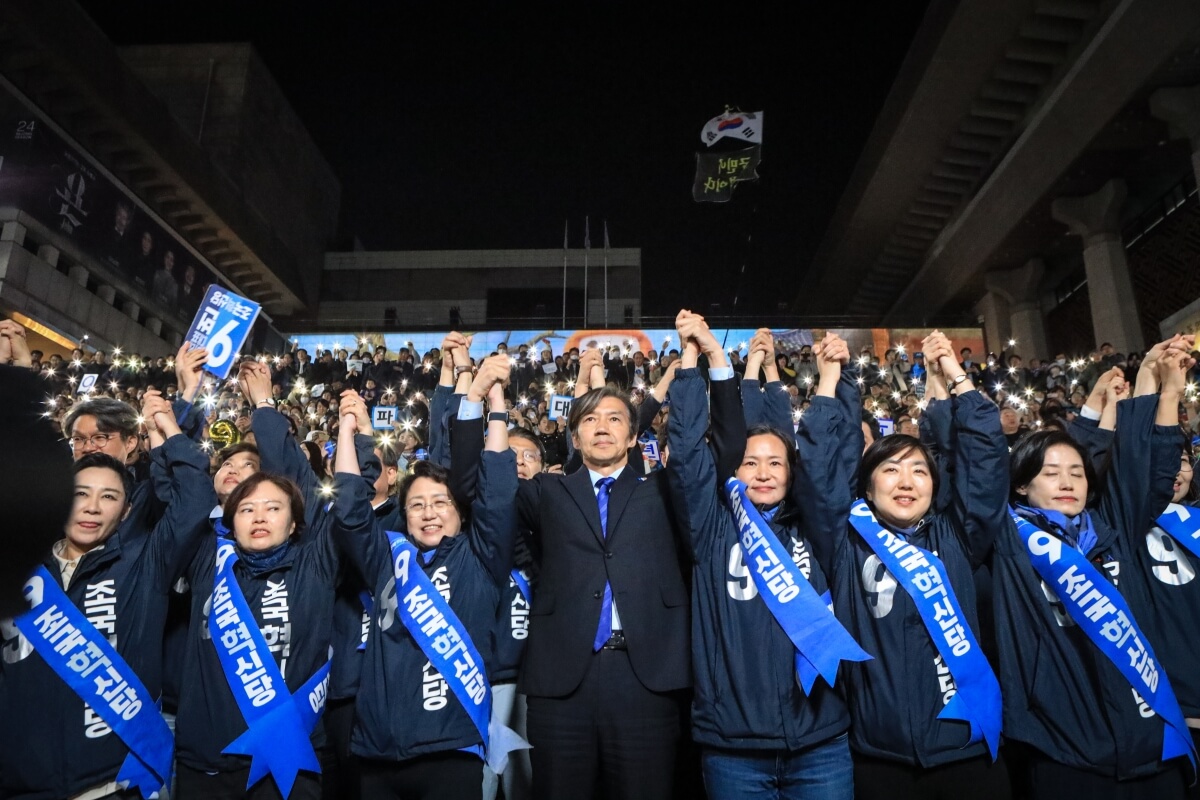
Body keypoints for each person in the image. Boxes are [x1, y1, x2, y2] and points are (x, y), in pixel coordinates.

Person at [795, 330, 1009, 800]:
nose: (906, 481)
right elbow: (818, 468)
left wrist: (954, 374)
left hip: (969, 752)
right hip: (880, 759)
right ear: (867, 490)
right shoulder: (845, 542)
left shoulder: (957, 535)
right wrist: (831, 379)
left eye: (918, 470)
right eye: (890, 470)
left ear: (936, 486)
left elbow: (986, 460)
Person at [664, 311, 863, 799]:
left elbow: (824, 465)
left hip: (820, 743)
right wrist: (694, 359)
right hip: (733, 747)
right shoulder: (711, 528)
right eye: (750, 462)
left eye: (776, 462)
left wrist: (832, 380)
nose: (763, 472)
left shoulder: (818, 529)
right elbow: (688, 456)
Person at [996, 338, 1197, 799]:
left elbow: (1143, 469)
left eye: (1077, 473)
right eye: (1050, 473)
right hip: (1067, 756)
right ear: (1022, 485)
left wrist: (1162, 389)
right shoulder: (1008, 543)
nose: (1067, 481)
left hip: (1152, 750)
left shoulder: (1113, 531)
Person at [0, 390, 215, 800]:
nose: (92, 507)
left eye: (109, 497)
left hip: (113, 785)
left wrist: (167, 425)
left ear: (127, 511)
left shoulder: (146, 563)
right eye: (80, 494)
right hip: (20, 783)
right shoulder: (18, 571)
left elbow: (195, 500)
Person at [331, 357, 518, 799]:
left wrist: (495, 404)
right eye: (417, 504)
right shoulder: (387, 558)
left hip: (450, 750)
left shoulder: (481, 555)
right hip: (378, 752)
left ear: (458, 511)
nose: (429, 512)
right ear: (404, 515)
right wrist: (347, 430)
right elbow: (351, 513)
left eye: (440, 502)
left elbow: (498, 492)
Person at [514, 344, 692, 800]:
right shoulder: (548, 492)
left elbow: (702, 450)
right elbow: (483, 491)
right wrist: (483, 403)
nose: (602, 427)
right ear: (574, 439)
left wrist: (690, 369)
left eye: (615, 419)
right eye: (590, 420)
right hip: (561, 685)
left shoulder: (664, 492)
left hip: (644, 679)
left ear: (634, 438)